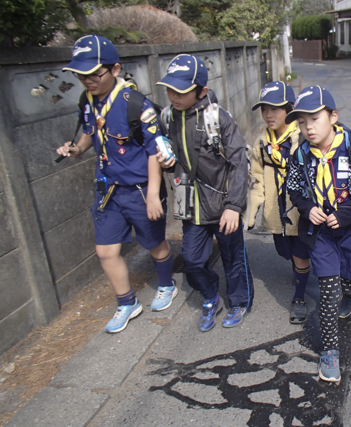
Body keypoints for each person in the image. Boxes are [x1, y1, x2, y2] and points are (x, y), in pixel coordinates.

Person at [56, 35, 177, 334]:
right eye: (81, 75)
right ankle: (126, 302)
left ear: (115, 69)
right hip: (108, 189)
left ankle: (166, 284)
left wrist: (152, 195)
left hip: (139, 189)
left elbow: (154, 149)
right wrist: (76, 149)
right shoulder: (87, 101)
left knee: (155, 245)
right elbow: (89, 132)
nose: (87, 80)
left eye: (94, 74)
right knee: (106, 252)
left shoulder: (135, 104)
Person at [286, 86, 351, 382]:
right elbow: (294, 188)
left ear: (333, 117)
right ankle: (330, 351)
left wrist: (345, 216)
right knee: (329, 291)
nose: (307, 127)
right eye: (301, 122)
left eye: (314, 119)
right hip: (321, 235)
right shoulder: (301, 155)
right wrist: (307, 208)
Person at [156, 54, 254, 331]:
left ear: (202, 91)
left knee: (233, 258)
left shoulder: (217, 119)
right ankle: (211, 296)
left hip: (223, 204)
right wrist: (168, 163)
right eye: (170, 89)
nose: (173, 96)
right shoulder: (167, 118)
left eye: (181, 91)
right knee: (192, 259)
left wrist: (234, 206)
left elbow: (238, 162)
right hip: (192, 207)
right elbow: (174, 159)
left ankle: (239, 301)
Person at [248, 81, 311, 324]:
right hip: (275, 212)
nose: (268, 115)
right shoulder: (262, 142)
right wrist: (252, 209)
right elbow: (256, 176)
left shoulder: (302, 138)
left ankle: (299, 297)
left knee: (300, 254)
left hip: (300, 210)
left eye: (275, 108)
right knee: (284, 251)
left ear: (290, 109)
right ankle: (300, 269)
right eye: (264, 109)